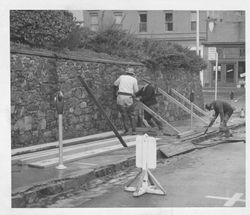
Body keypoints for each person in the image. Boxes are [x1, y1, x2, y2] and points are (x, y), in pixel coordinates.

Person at [113, 67, 139, 135]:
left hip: (120, 97)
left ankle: (126, 130)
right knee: (132, 115)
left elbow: (115, 84)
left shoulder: (121, 77)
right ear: (132, 74)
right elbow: (136, 91)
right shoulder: (134, 79)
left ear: (126, 72)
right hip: (128, 97)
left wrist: (115, 92)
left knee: (123, 115)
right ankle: (134, 131)